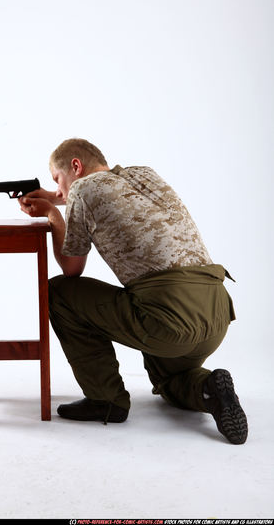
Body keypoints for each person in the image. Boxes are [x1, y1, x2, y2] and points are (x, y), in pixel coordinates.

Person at [19, 138, 248, 444]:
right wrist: (56, 197)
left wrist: (53, 214)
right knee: (168, 379)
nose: (60, 190)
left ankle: (106, 400)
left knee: (60, 292)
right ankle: (210, 388)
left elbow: (72, 269)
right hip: (215, 315)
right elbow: (100, 193)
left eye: (58, 180)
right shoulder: (144, 175)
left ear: (76, 165)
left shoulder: (82, 190)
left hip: (169, 320)